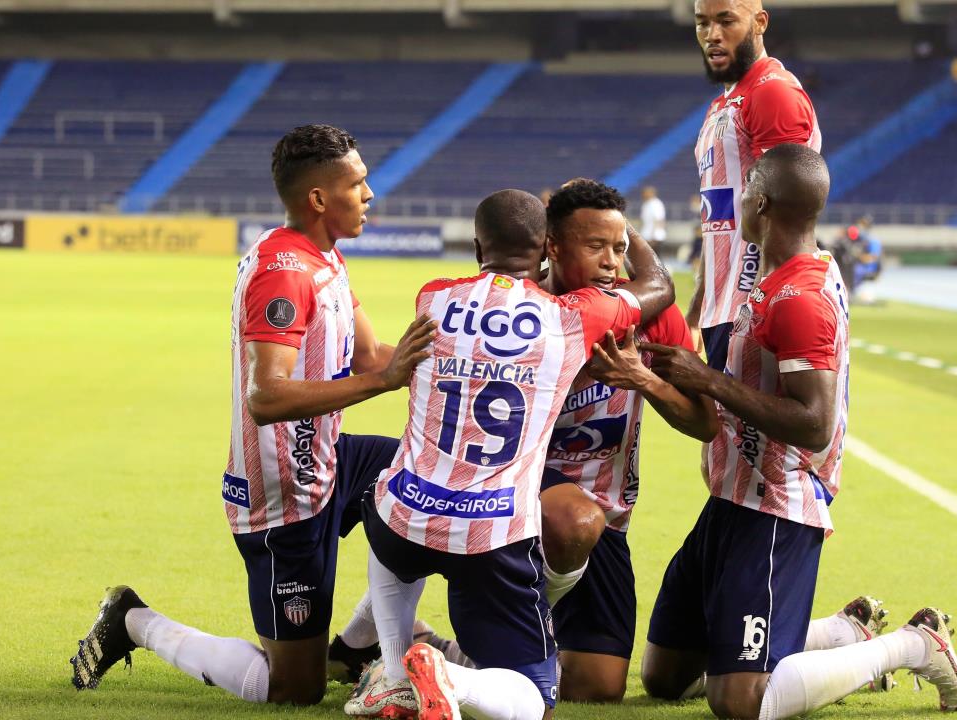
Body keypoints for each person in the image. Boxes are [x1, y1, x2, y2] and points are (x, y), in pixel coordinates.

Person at [68, 125, 435, 705]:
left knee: (431, 484)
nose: (370, 194)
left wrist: (459, 369)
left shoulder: (325, 257)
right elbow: (266, 397)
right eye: (358, 183)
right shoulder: (283, 272)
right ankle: (134, 620)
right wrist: (382, 383)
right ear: (318, 198)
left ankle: (363, 643)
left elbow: (370, 354)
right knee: (294, 689)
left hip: (328, 457)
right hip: (280, 493)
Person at [639, 144, 957, 719]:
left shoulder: (799, 298)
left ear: (760, 203)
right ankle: (841, 634)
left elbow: (814, 424)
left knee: (739, 703)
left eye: (745, 195)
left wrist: (708, 381)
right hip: (729, 498)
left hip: (775, 507)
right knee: (666, 678)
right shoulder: (790, 273)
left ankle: (913, 646)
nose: (738, 203)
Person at [353, 188, 675, 720]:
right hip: (493, 535)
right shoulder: (573, 316)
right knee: (534, 699)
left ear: (478, 244)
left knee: (387, 502)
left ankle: (390, 668)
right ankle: (447, 672)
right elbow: (657, 287)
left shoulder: (432, 297)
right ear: (547, 250)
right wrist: (626, 232)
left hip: (405, 519)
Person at [540, 179, 720, 702]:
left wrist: (643, 380)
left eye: (618, 248)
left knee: (598, 690)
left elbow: (705, 424)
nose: (611, 262)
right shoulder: (530, 306)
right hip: (519, 513)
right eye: (595, 246)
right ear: (553, 245)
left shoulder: (650, 314)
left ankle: (449, 650)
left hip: (606, 521)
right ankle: (422, 646)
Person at [685, 0, 822, 368]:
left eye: (726, 21)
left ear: (760, 22)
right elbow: (717, 221)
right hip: (722, 309)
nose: (712, 35)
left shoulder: (772, 93)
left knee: (754, 425)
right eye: (702, 24)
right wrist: (698, 311)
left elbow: (785, 211)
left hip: (754, 310)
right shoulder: (720, 106)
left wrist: (761, 307)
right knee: (720, 425)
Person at [639, 185, 668, 252]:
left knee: (656, 260)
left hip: (654, 238)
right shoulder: (646, 204)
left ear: (652, 193)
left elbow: (659, 220)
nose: (643, 195)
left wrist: (654, 236)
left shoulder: (656, 204)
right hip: (646, 236)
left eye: (645, 193)